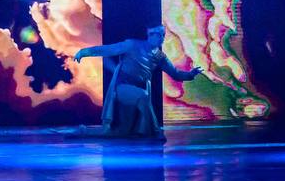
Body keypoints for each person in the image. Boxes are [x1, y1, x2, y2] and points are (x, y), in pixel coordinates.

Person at [73, 25, 202, 138]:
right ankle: (156, 131)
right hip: (122, 88)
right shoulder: (132, 45)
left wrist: (190, 74)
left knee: (120, 132)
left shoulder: (159, 56)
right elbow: (108, 49)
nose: (161, 37)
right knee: (143, 96)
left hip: (138, 90)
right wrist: (84, 52)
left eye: (163, 34)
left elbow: (175, 73)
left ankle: (84, 131)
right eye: (158, 34)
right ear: (149, 35)